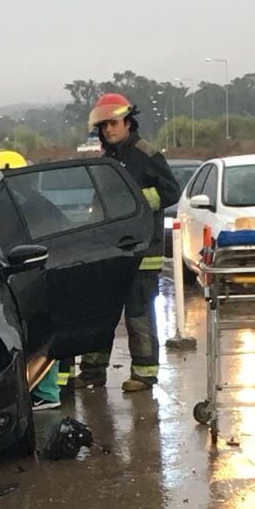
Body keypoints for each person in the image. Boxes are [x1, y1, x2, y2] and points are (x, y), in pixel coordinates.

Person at [76, 93, 180, 392]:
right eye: (104, 126)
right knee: (101, 312)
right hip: (111, 251)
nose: (109, 130)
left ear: (128, 123)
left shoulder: (146, 154)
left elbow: (171, 192)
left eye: (114, 123)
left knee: (138, 315)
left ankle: (144, 374)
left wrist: (134, 202)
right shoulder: (108, 160)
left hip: (143, 251)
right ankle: (93, 371)